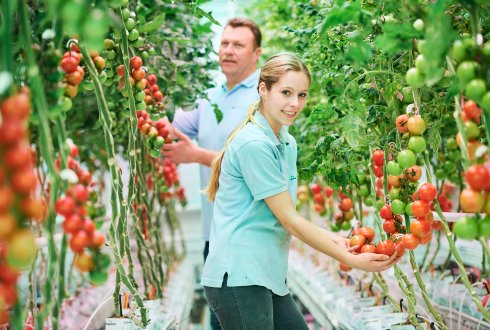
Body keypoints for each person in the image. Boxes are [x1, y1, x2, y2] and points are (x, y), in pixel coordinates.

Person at [201, 53, 400, 329]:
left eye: (302, 95)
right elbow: (288, 219)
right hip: (238, 277)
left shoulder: (285, 140)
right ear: (263, 89)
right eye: (286, 93)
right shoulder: (254, 144)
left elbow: (288, 215)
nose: (295, 104)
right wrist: (347, 258)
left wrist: (338, 240)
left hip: (264, 272)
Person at [161, 18, 262, 329]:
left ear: (256, 53)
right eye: (225, 43)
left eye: (238, 45)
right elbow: (170, 131)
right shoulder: (208, 97)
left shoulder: (263, 98)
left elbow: (256, 165)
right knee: (221, 321)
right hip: (213, 234)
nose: (228, 51)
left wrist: (198, 156)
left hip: (251, 235)